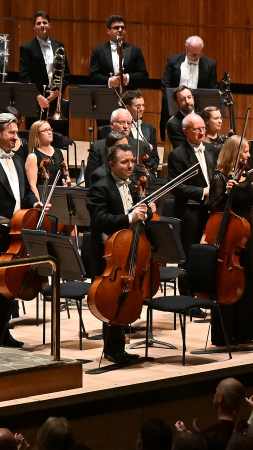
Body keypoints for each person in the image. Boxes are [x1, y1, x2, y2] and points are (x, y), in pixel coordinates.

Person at [85, 142, 154, 365]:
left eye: (132, 161)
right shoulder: (100, 187)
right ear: (112, 164)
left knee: (125, 295)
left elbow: (140, 215)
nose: (130, 166)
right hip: (109, 252)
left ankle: (117, 348)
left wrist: (148, 213)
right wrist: (128, 218)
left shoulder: (135, 185)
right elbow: (99, 220)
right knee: (113, 297)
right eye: (124, 162)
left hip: (128, 252)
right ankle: (113, 349)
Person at [0, 114, 39, 348]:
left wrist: (35, 203)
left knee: (8, 283)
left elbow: (24, 193)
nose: (16, 137)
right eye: (11, 133)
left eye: (16, 132)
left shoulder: (18, 158)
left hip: (15, 230)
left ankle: (2, 332)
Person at [205, 136, 253, 345]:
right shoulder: (220, 178)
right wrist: (226, 193)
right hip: (228, 236)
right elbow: (212, 206)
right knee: (228, 284)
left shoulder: (245, 175)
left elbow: (250, 207)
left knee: (246, 283)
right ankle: (224, 334)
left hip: (245, 236)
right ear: (234, 152)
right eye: (246, 151)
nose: (249, 155)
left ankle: (243, 333)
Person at [168, 113, 215, 259]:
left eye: (203, 128)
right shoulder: (177, 155)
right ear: (185, 132)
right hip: (189, 214)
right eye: (197, 129)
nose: (202, 132)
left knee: (209, 255)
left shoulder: (211, 149)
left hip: (211, 211)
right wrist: (203, 191)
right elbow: (176, 187)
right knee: (189, 257)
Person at [160, 36, 218, 140]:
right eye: (193, 54)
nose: (196, 57)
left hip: (197, 109)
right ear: (186, 48)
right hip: (176, 107)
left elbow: (212, 89)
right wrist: (174, 102)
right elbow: (165, 85)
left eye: (199, 54)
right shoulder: (172, 60)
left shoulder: (210, 64)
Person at [86, 109, 155, 187]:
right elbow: (90, 178)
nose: (126, 126)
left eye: (129, 123)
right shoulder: (98, 147)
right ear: (112, 124)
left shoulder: (142, 146)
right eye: (122, 122)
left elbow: (151, 176)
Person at [19, 11, 70, 118]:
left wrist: (57, 92)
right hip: (35, 98)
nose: (42, 25)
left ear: (49, 25)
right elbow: (24, 76)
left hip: (55, 97)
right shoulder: (26, 48)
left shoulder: (59, 45)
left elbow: (66, 73)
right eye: (39, 23)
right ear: (34, 27)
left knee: (53, 132)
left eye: (45, 23)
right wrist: (38, 96)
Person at [89, 15, 148, 90]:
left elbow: (143, 75)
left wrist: (127, 78)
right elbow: (93, 76)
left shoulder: (135, 50)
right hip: (106, 95)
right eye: (116, 28)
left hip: (129, 96)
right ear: (108, 31)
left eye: (122, 28)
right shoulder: (98, 50)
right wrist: (109, 81)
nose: (120, 30)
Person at [26, 120, 68, 196]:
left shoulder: (61, 153)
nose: (49, 132)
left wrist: (66, 184)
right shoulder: (33, 157)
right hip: (43, 198)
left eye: (50, 129)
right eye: (44, 131)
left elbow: (67, 176)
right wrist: (40, 205)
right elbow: (32, 186)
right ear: (36, 135)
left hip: (60, 197)